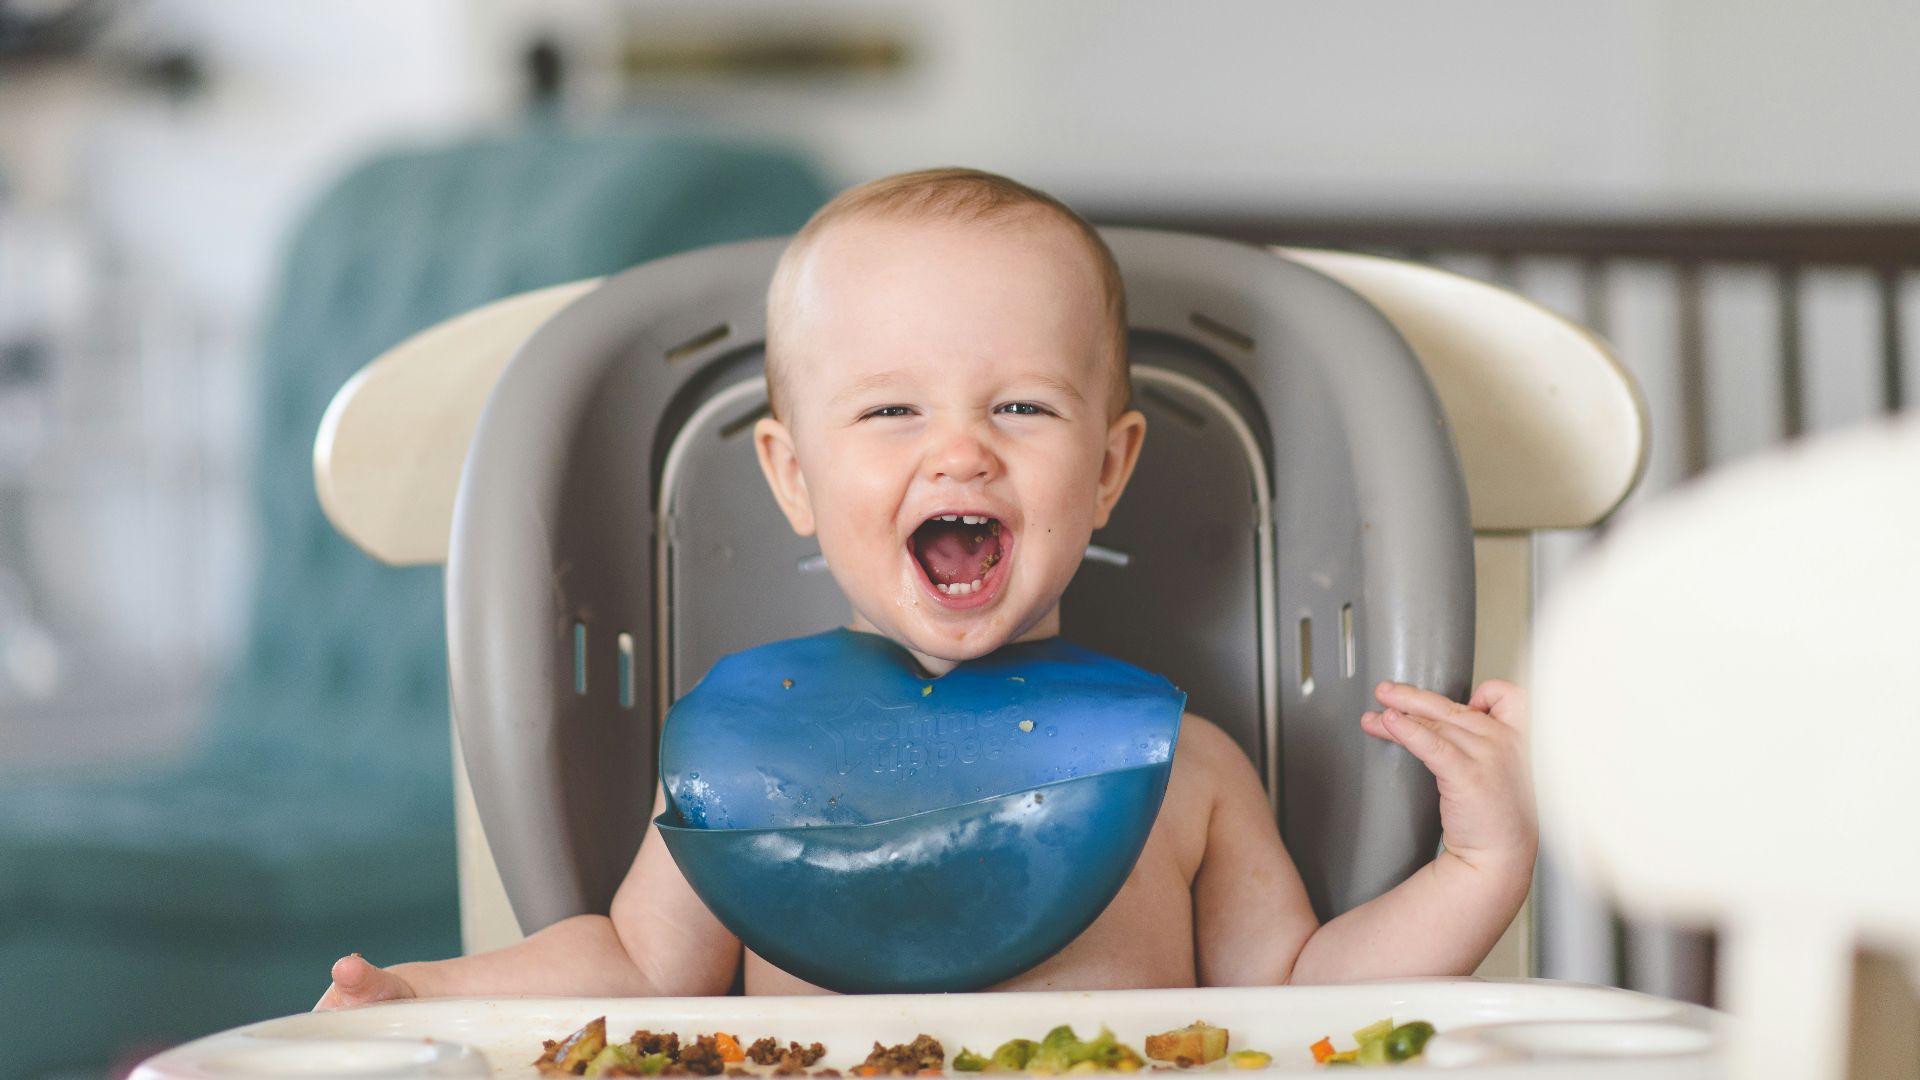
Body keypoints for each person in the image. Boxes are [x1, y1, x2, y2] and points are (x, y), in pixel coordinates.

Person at [318, 167, 1533, 1006]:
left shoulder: (1185, 769)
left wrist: (1477, 871)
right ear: (793, 478)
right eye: (892, 410)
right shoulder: (743, 763)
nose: (960, 450)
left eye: (1021, 407)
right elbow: (639, 970)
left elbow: (1297, 997)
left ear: (1109, 470)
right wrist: (425, 991)